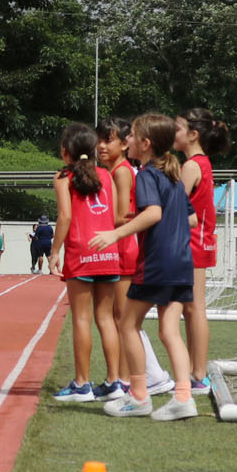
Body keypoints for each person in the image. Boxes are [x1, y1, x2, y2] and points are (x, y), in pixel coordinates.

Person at [89, 114, 198, 421]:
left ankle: (139, 396)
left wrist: (116, 233)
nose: (128, 141)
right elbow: (190, 218)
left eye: (133, 137)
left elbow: (153, 213)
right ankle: (183, 397)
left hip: (157, 263)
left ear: (145, 144)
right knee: (169, 331)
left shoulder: (147, 175)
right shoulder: (173, 175)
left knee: (127, 324)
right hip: (181, 262)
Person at [96, 116, 174, 396]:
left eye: (110, 140)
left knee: (125, 318)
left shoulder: (121, 172)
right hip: (124, 246)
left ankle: (133, 378)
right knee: (124, 318)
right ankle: (130, 377)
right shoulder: (118, 170)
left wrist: (101, 227)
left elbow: (119, 216)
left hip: (125, 248)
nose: (102, 146)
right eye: (100, 140)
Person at [48, 123, 123, 402]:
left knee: (81, 318)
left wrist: (55, 251)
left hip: (81, 254)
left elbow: (65, 217)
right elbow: (115, 217)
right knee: (106, 319)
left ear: (65, 151)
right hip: (108, 252)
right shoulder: (106, 174)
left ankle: (82, 384)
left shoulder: (63, 177)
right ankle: (114, 382)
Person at [175, 107, 231, 398]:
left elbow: (177, 210)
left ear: (193, 134)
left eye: (178, 127)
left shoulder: (192, 166)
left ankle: (198, 375)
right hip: (199, 241)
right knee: (192, 308)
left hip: (194, 243)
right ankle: (195, 372)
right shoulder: (200, 163)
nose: (174, 133)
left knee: (194, 308)